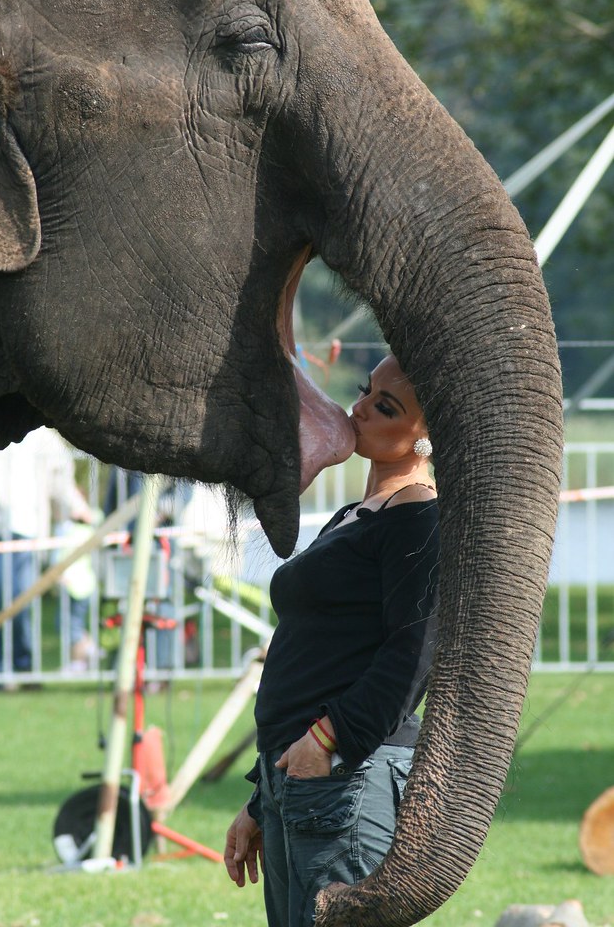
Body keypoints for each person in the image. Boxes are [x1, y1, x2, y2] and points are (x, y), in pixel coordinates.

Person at [224, 354, 440, 927]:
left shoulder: (419, 519)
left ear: (428, 437)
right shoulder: (355, 514)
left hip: (347, 771)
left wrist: (328, 739)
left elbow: (413, 653)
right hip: (293, 768)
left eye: (385, 407)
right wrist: (258, 798)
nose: (360, 409)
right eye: (366, 391)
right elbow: (317, 648)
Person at [0, 427, 92, 682]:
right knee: (8, 594)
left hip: (31, 531)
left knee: (22, 600)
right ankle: (8, 671)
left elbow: (61, 482)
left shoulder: (45, 436)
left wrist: (79, 510)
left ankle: (19, 669)